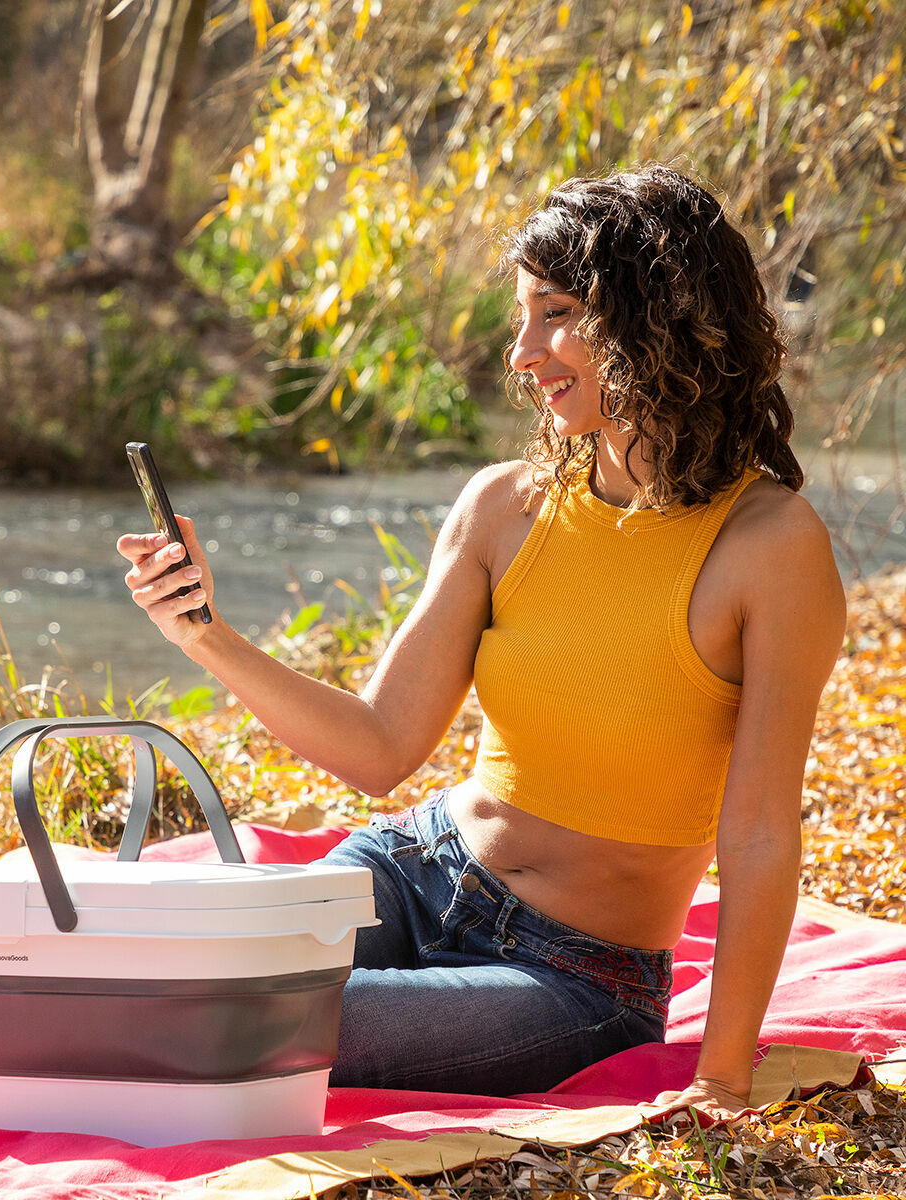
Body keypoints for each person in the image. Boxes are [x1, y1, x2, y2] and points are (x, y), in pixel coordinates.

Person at [117, 163, 846, 1117]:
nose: (524, 352)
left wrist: (720, 1077)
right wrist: (202, 632)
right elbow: (379, 746)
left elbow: (757, 836)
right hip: (414, 871)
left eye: (557, 312)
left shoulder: (769, 547)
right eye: (521, 317)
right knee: (155, 976)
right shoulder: (504, 506)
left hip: (576, 976)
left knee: (239, 1022)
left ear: (654, 315)